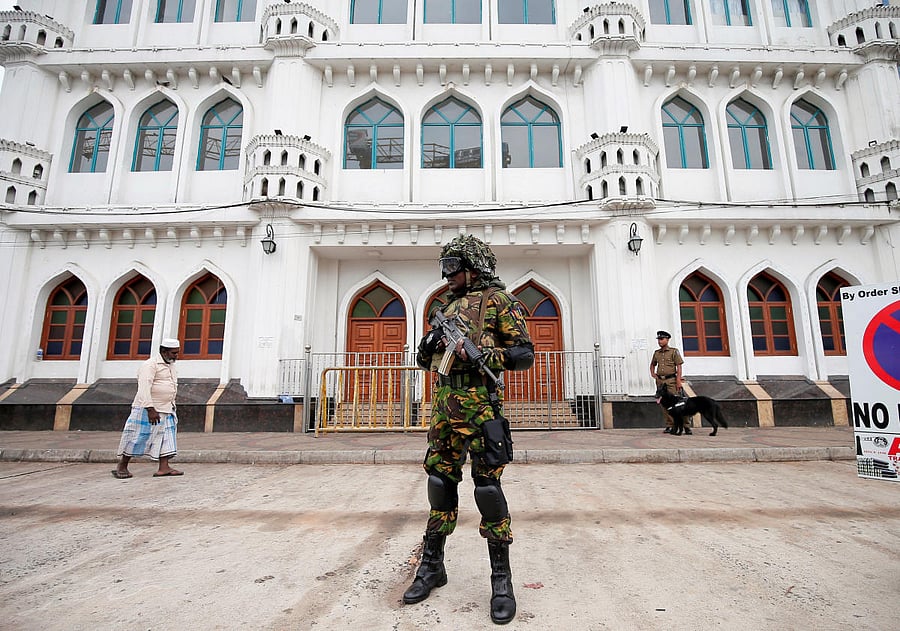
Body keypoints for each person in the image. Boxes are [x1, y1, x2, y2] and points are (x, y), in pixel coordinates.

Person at [405, 235, 534, 625]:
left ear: (473, 266)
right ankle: (432, 567)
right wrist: (431, 340)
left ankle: (501, 580)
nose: (446, 276)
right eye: (443, 268)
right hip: (445, 408)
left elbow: (524, 354)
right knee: (440, 485)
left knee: (488, 489)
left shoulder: (500, 302)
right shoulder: (444, 307)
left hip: (480, 409)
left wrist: (481, 353)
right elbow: (424, 359)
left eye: (452, 268)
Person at [111, 338, 184, 478]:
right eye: (173, 353)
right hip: (148, 409)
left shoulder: (170, 365)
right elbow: (144, 387)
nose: (176, 356)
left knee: (166, 438)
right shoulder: (150, 365)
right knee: (137, 436)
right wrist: (150, 409)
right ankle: (122, 465)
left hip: (167, 408)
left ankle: (164, 468)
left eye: (177, 352)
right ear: (163, 351)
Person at [649, 330, 691, 435]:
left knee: (678, 403)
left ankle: (686, 426)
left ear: (667, 340)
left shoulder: (673, 351)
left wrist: (678, 380)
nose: (660, 341)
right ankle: (670, 425)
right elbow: (653, 364)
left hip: (671, 380)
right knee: (664, 404)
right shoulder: (657, 353)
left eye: (662, 339)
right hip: (660, 380)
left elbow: (679, 366)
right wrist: (653, 374)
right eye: (659, 339)